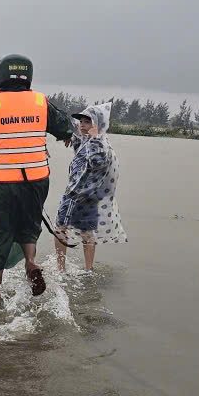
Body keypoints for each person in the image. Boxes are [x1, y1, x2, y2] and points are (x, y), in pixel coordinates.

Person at [0, 54, 72, 300]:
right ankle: (31, 262)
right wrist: (65, 134)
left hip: (0, 182)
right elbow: (64, 126)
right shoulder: (40, 101)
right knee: (29, 227)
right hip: (36, 180)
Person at [55, 102, 127, 271]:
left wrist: (94, 139)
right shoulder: (86, 140)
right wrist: (68, 136)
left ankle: (65, 269)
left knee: (63, 229)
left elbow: (97, 162)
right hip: (83, 195)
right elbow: (74, 135)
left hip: (79, 195)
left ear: (96, 125)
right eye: (81, 122)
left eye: (87, 122)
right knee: (80, 231)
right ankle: (81, 269)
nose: (82, 125)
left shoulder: (99, 144)